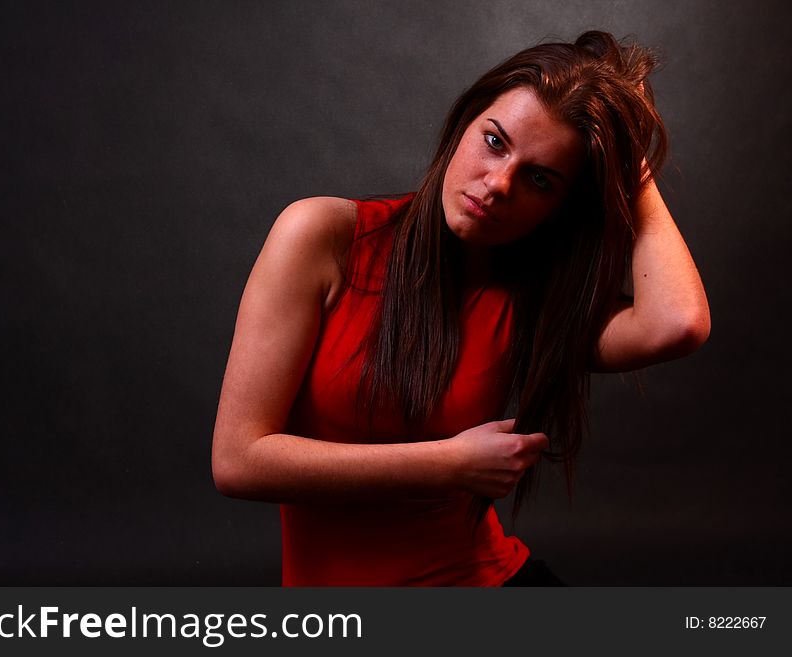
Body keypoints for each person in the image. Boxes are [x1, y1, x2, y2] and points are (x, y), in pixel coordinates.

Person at [211, 31, 710, 586]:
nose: (498, 184)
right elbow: (239, 460)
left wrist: (628, 162)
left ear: (559, 207)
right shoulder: (326, 236)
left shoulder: (533, 299)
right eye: (494, 142)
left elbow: (678, 323)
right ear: (463, 125)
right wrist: (449, 463)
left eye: (539, 179)